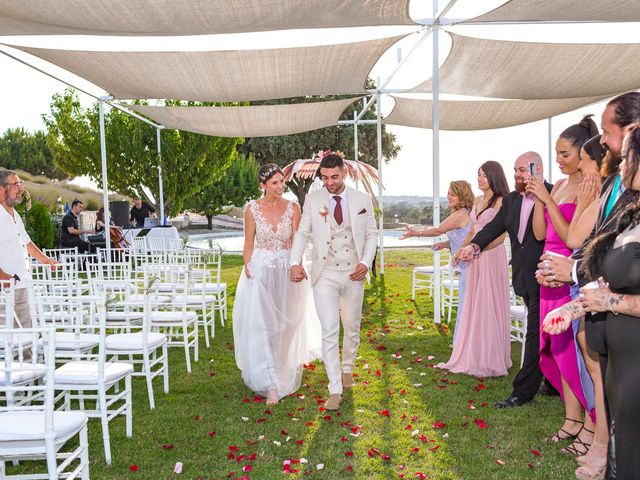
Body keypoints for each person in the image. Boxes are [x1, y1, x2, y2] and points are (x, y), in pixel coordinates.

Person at [542, 125, 640, 479]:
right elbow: (603, 274)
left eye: (628, 154)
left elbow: (609, 287)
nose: (616, 160)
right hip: (623, 361)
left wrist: (603, 296)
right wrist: (570, 309)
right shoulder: (629, 211)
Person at [527, 115, 599, 458]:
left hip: (569, 271)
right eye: (556, 154)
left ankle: (591, 420)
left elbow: (574, 234)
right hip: (547, 272)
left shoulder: (589, 184)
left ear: (583, 154)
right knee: (557, 350)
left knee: (576, 353)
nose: (559, 160)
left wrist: (549, 200)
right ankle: (571, 418)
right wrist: (542, 198)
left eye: (565, 154)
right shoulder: (559, 185)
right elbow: (541, 232)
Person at [460, 152, 553, 405]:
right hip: (523, 277)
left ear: (538, 169)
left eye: (522, 170)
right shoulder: (511, 201)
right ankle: (554, 383)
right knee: (549, 333)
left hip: (548, 277)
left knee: (534, 334)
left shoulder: (554, 193)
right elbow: (493, 229)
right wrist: (474, 246)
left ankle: (521, 392)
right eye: (515, 170)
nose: (517, 175)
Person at [289, 152, 378, 411]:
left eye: (334, 177)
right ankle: (334, 387)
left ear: (344, 173)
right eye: (325, 177)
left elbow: (371, 234)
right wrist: (294, 262)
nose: (329, 182)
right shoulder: (313, 199)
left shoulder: (362, 200)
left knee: (351, 326)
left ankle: (347, 368)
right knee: (329, 329)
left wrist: (365, 261)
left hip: (354, 271)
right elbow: (303, 232)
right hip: (325, 273)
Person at [233, 164, 321, 405]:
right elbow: (248, 243)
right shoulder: (251, 209)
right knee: (264, 327)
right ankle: (271, 382)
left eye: (282, 181)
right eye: (275, 183)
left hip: (286, 271)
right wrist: (247, 265)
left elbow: (297, 240)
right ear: (263, 186)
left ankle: (282, 369)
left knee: (286, 326)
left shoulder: (293, 207)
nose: (281, 186)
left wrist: (297, 265)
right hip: (260, 273)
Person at [437, 160, 511, 377]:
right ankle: (472, 353)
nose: (480, 179)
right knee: (473, 303)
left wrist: (479, 249)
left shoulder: (502, 201)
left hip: (491, 256)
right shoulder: (478, 201)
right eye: (478, 175)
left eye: (484, 175)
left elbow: (501, 234)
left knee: (488, 303)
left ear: (494, 177)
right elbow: (471, 232)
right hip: (473, 255)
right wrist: (460, 251)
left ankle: (490, 356)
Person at [400, 180, 473, 341]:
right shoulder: (465, 213)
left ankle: (464, 344)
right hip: (464, 265)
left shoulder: (460, 214)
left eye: (452, 194)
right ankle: (466, 344)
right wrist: (445, 244)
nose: (449, 197)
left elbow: (439, 229)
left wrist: (415, 233)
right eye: (448, 193)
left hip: (468, 267)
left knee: (466, 305)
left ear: (462, 196)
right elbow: (463, 239)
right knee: (467, 304)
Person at [0, 168, 57, 329]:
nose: (21, 188)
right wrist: (2, 277)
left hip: (22, 284)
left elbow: (26, 243)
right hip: (4, 290)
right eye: (16, 184)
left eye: (21, 183)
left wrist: (45, 260)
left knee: (26, 337)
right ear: (1, 189)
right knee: (6, 341)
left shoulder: (14, 214)